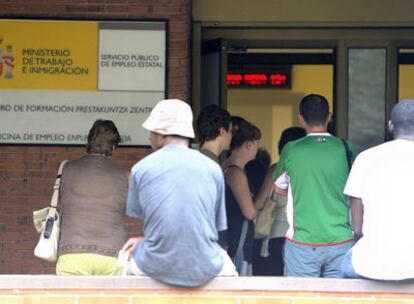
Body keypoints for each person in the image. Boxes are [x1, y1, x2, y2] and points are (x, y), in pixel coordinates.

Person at [122, 99, 237, 287]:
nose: (150, 137)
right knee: (231, 272)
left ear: (160, 134)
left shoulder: (141, 169)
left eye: (152, 131)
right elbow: (213, 228)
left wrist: (145, 242)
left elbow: (155, 221)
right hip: (205, 265)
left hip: (155, 264)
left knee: (124, 263)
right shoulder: (213, 169)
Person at [273, 94, 355, 278]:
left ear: (301, 119)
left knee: (302, 297)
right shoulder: (346, 148)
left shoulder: (291, 149)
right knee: (338, 298)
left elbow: (279, 188)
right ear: (329, 116)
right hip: (341, 240)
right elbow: (357, 190)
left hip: (302, 242)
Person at [342, 99, 414, 281]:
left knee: (345, 262)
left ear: (390, 126)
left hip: (373, 266)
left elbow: (356, 229)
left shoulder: (365, 159)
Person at [57, 119, 129, 275]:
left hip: (72, 252)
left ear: (89, 142)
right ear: (113, 147)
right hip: (112, 254)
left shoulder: (67, 169)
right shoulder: (124, 176)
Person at [222, 116, 274, 275]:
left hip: (233, 238)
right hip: (237, 241)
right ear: (249, 144)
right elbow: (250, 212)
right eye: (257, 143)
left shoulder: (226, 166)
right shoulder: (236, 172)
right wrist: (268, 184)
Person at [252, 127, 306, 276]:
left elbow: (259, 204)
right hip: (304, 238)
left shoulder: (276, 170)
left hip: (276, 238)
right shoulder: (310, 172)